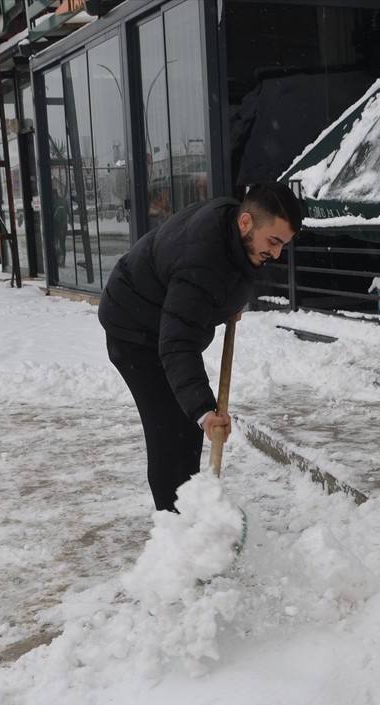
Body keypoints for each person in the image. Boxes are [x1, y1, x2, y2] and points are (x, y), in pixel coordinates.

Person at [98, 182, 303, 512]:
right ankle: (175, 532)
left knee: (188, 428)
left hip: (162, 321)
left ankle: (190, 510)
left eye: (283, 245)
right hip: (134, 330)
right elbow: (178, 341)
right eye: (273, 241)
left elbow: (217, 283)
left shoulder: (232, 226)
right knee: (168, 432)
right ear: (246, 221)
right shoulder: (204, 258)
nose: (277, 253)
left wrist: (225, 305)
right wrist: (205, 411)